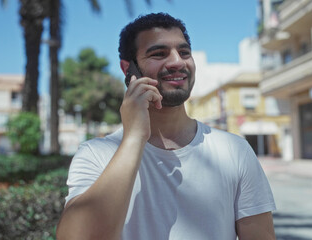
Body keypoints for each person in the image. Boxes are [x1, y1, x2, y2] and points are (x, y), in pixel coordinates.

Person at [57, 12, 276, 240]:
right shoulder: (95, 154)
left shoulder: (235, 150)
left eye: (184, 53)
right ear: (128, 69)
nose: (177, 62)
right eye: (159, 53)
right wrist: (134, 138)